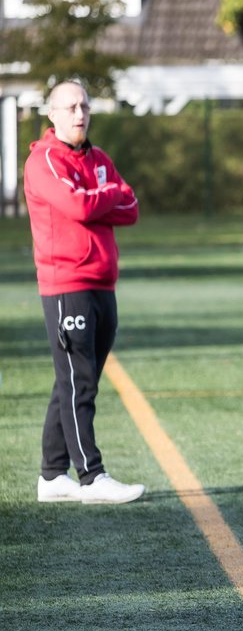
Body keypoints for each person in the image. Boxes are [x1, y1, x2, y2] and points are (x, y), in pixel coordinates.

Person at [26, 79, 146, 504]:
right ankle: (92, 476)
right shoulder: (45, 161)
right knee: (79, 382)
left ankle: (52, 476)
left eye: (84, 106)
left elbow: (130, 209)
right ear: (52, 114)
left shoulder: (98, 159)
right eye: (70, 107)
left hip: (102, 282)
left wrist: (100, 197)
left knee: (77, 380)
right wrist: (106, 198)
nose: (79, 114)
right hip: (66, 285)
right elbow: (77, 206)